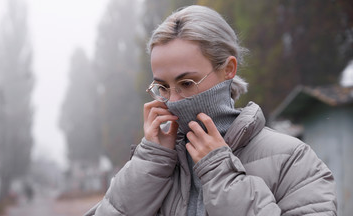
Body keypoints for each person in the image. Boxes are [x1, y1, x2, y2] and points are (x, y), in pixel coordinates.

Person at [84, 5, 337, 216]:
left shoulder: (292, 159)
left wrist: (221, 174)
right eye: (162, 87)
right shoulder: (153, 162)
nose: (173, 101)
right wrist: (149, 163)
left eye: (186, 83)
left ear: (228, 69)